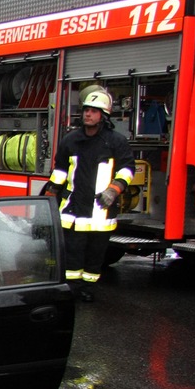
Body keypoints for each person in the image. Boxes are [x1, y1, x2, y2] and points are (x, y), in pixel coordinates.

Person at [45, 89, 134, 302]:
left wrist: (114, 189)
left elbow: (128, 169)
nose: (88, 115)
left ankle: (87, 288)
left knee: (96, 254)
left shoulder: (116, 142)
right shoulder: (70, 141)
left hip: (100, 211)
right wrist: (50, 195)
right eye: (86, 110)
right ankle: (72, 288)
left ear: (103, 116)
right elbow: (60, 171)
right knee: (73, 251)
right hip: (73, 210)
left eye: (94, 111)